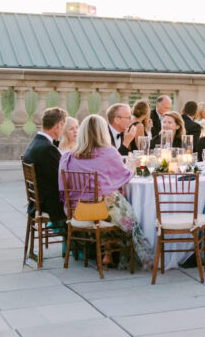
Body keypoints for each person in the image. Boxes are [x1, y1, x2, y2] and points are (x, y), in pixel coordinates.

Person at [58, 115, 153, 269]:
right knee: (130, 218)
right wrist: (133, 166)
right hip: (99, 210)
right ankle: (137, 257)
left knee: (115, 207)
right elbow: (124, 177)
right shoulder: (109, 152)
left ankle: (107, 254)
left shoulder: (68, 156)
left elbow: (63, 188)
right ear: (103, 132)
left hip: (76, 209)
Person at [24, 107, 68, 228]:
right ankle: (78, 243)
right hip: (49, 204)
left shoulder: (36, 142)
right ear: (58, 125)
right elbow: (60, 180)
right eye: (63, 126)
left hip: (38, 201)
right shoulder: (48, 149)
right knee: (86, 202)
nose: (63, 130)